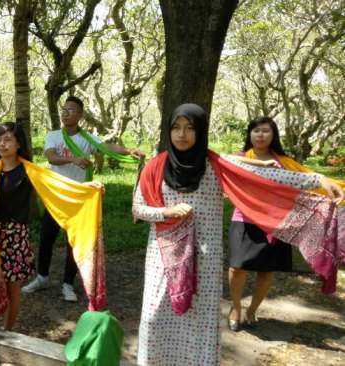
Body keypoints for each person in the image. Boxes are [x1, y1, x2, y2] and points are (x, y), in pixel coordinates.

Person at [132, 103, 343, 365]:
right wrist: (167, 212)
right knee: (155, 316)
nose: (182, 134)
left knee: (201, 320)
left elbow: (266, 177)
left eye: (189, 128)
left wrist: (317, 180)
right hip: (162, 257)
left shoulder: (216, 166)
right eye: (176, 127)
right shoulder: (155, 167)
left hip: (205, 258)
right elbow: (138, 208)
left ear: (200, 132)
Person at [0, 122, 106, 331]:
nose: (2, 144)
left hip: (15, 237)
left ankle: (7, 333)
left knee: (13, 291)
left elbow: (55, 184)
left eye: (7, 139)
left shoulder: (28, 171)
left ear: (19, 143)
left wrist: (84, 187)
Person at [22, 95, 144, 302]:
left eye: (70, 110)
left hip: (79, 199)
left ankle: (67, 284)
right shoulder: (54, 136)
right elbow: (51, 157)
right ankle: (41, 277)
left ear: (80, 115)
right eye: (63, 109)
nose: (65, 113)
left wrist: (128, 150)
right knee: (46, 238)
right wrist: (73, 159)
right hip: (56, 196)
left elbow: (107, 147)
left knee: (74, 243)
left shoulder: (87, 139)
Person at [227, 116, 345, 331]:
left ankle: (252, 310)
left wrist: (332, 190)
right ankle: (235, 308)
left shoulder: (285, 162)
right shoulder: (239, 158)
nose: (260, 135)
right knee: (237, 268)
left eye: (265, 131)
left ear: (273, 136)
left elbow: (305, 181)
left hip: (277, 222)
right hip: (244, 218)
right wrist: (259, 164)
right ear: (249, 135)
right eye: (256, 131)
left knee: (266, 270)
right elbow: (223, 163)